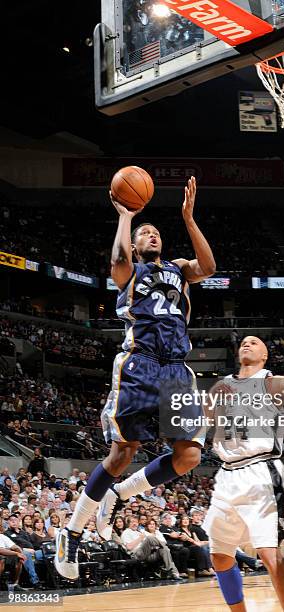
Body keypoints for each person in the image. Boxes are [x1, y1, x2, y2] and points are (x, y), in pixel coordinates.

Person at [55, 176, 215, 579]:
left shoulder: (179, 269)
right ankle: (72, 533)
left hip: (176, 368)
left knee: (190, 455)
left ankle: (120, 493)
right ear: (138, 243)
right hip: (139, 364)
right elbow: (117, 264)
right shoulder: (133, 271)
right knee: (122, 453)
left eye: (156, 232)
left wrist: (189, 219)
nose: (152, 235)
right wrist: (126, 217)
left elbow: (209, 266)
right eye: (146, 233)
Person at [202, 335, 284, 612]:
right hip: (226, 473)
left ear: (265, 355)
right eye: (243, 343)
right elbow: (205, 424)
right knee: (220, 556)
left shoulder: (277, 382)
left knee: (270, 554)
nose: (247, 344)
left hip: (261, 471)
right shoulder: (219, 387)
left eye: (255, 342)